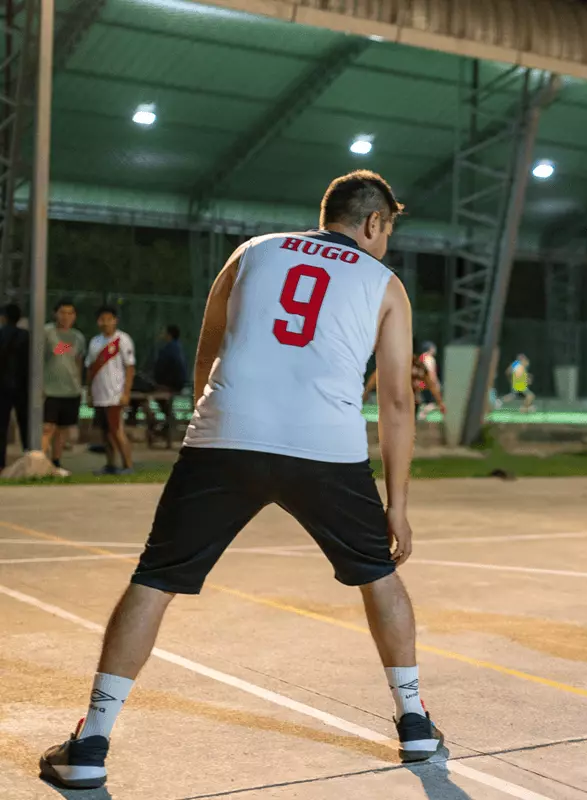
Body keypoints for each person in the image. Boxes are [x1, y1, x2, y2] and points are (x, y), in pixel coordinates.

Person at [39, 170, 443, 790]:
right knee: (379, 578)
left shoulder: (252, 252)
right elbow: (395, 402)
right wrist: (398, 504)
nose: (387, 240)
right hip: (325, 447)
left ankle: (90, 744)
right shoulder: (385, 284)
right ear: (372, 224)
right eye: (388, 229)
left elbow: (209, 355)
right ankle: (414, 725)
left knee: (154, 579)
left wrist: (210, 433)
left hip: (225, 434)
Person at [85, 306, 136, 475]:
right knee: (105, 432)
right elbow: (89, 369)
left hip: (114, 395)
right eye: (102, 319)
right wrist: (89, 393)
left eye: (109, 319)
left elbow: (129, 368)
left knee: (116, 430)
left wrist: (126, 392)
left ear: (115, 320)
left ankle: (128, 465)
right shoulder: (94, 342)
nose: (105, 323)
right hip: (99, 395)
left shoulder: (122, 340)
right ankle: (110, 464)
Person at [42, 299, 87, 472]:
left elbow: (78, 361)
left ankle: (56, 462)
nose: (66, 317)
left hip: (71, 390)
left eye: (70, 313)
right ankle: (40, 461)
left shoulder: (78, 337)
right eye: (62, 312)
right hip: (50, 389)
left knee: (62, 429)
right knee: (48, 427)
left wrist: (79, 384)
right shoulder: (47, 332)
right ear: (55, 313)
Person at [0, 302, 31, 467]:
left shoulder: (1, 334)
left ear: (4, 318)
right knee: (25, 424)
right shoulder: (26, 335)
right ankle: (29, 457)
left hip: (2, 387)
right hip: (23, 386)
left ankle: (0, 463)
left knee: (1, 427)